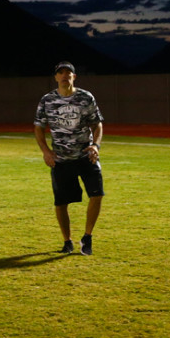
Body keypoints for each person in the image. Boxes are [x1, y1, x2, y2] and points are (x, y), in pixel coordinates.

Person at [34, 61, 104, 255]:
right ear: (56, 77)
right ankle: (67, 241)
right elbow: (39, 127)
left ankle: (87, 237)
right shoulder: (47, 100)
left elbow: (97, 124)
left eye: (69, 72)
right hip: (61, 159)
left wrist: (95, 145)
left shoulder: (85, 97)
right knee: (61, 202)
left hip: (85, 155)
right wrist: (46, 151)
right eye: (61, 73)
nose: (65, 75)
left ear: (74, 76)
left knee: (97, 194)